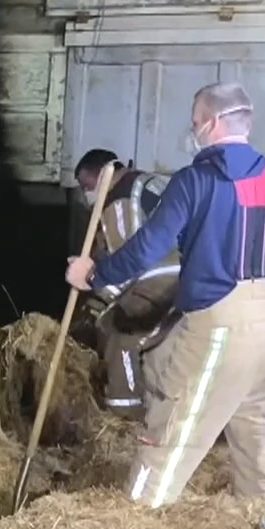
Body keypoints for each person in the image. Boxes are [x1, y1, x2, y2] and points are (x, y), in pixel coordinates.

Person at [64, 82, 265, 508]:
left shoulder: (194, 183)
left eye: (195, 122)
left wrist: (95, 273)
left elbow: (146, 249)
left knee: (168, 441)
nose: (193, 131)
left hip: (219, 327)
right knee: (264, 460)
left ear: (212, 124)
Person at [73, 148, 178, 412]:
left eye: (86, 186)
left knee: (117, 331)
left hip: (159, 278)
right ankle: (157, 409)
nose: (87, 195)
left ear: (100, 175)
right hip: (187, 275)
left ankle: (123, 415)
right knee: (156, 342)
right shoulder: (149, 182)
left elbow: (127, 263)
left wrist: (97, 302)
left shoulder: (119, 201)